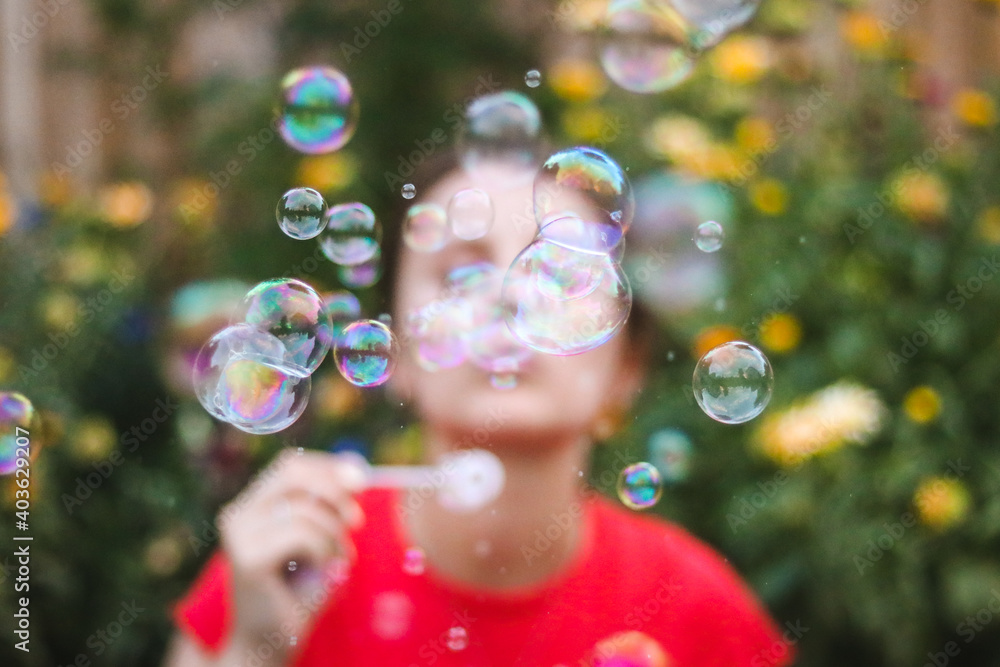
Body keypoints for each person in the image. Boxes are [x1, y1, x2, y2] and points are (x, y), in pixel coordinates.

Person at [163, 154, 794, 666]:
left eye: (561, 275)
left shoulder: (697, 609)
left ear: (625, 368)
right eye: (461, 274)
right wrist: (251, 652)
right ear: (399, 352)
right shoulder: (288, 563)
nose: (508, 298)